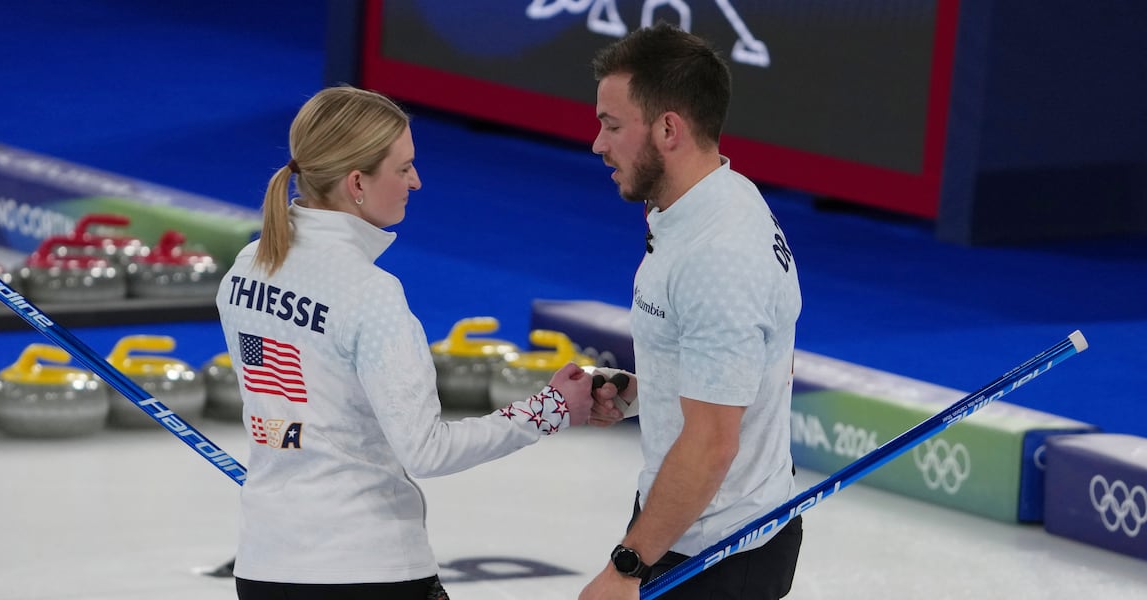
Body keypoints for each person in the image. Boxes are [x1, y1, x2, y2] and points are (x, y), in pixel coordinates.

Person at [215, 85, 595, 600]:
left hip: (266, 566)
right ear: (356, 183)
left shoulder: (246, 269)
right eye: (403, 168)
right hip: (369, 569)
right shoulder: (369, 294)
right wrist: (551, 409)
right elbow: (428, 452)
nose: (416, 181)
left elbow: (289, 415)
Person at [579, 22, 804, 600]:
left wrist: (626, 567)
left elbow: (711, 445)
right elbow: (729, 375)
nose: (597, 143)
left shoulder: (718, 257)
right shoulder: (703, 200)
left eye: (611, 126)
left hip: (716, 551)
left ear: (668, 129)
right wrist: (640, 392)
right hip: (683, 520)